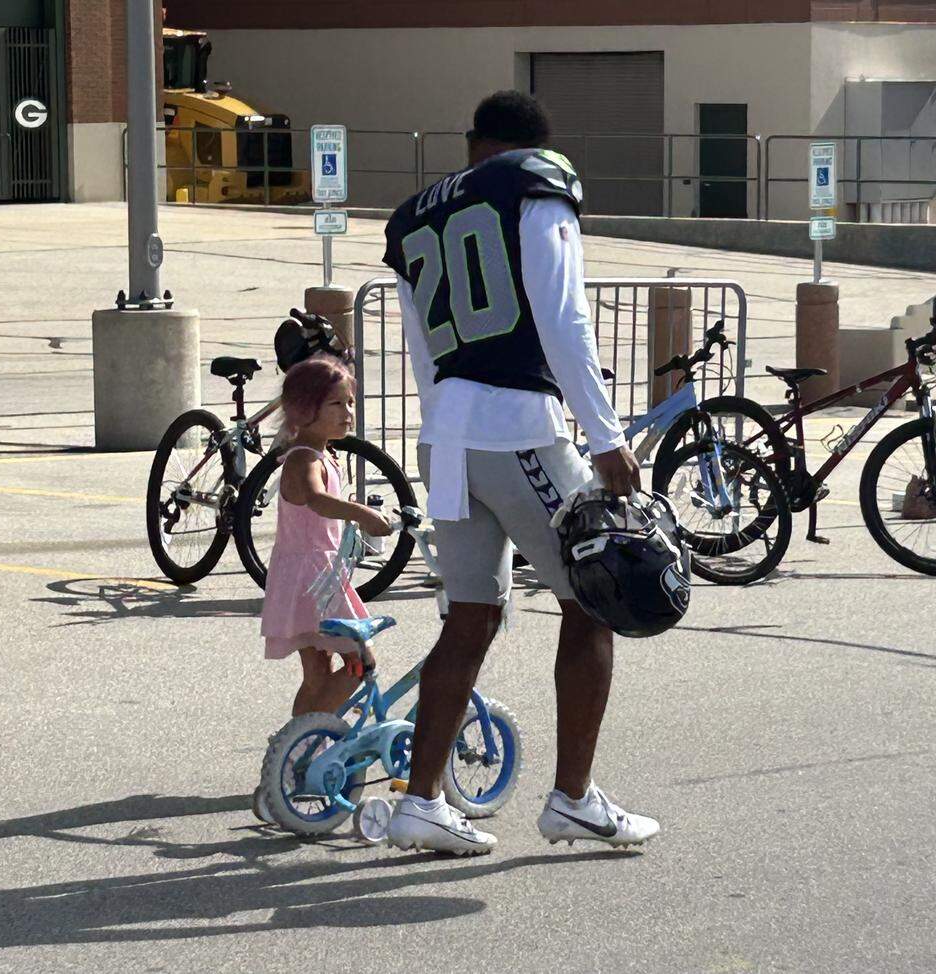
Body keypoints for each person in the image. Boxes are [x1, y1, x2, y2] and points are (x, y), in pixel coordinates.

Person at [380, 90, 660, 855]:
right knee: (596, 599)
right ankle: (573, 799)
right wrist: (604, 437)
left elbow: (421, 350)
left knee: (469, 619)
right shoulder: (534, 183)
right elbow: (562, 315)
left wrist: (447, 435)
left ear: (475, 142)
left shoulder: (411, 217)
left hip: (444, 435)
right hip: (516, 427)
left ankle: (421, 800)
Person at [260, 356, 392, 717]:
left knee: (317, 676)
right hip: (313, 579)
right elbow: (316, 500)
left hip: (309, 576)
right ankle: (309, 739)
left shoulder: (320, 453)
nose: (347, 412)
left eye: (350, 402)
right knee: (360, 661)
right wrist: (363, 514)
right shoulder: (304, 459)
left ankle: (298, 748)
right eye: (335, 403)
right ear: (303, 411)